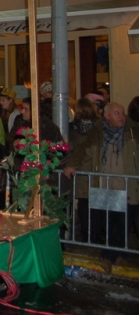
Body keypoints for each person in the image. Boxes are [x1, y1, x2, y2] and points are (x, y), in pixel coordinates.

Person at [64, 103, 139, 272]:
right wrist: (72, 165)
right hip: (106, 184)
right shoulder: (97, 133)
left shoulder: (133, 131)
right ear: (107, 116)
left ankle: (113, 256)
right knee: (110, 222)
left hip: (128, 185)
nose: (121, 116)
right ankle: (114, 255)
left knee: (123, 222)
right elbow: (84, 150)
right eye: (117, 113)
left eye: (122, 113)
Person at [69, 97, 99, 242]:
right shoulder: (99, 128)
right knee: (96, 206)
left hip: (80, 171)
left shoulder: (73, 129)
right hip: (95, 170)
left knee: (84, 204)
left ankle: (87, 235)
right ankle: (96, 235)